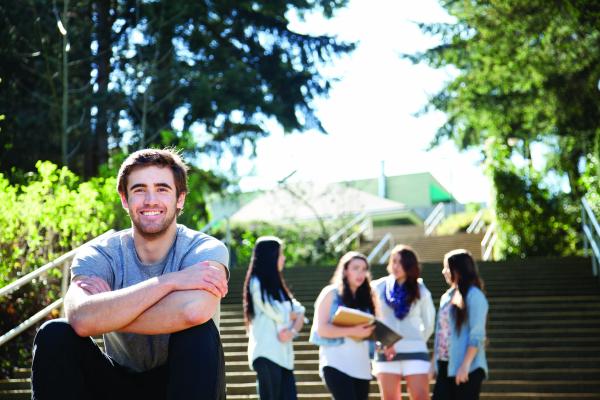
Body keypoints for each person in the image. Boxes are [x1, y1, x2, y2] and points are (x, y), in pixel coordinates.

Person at [30, 148, 230, 400]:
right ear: (125, 200)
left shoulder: (204, 248)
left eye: (162, 189)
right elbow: (79, 316)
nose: (150, 200)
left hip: (183, 381)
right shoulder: (100, 253)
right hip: (117, 383)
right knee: (54, 334)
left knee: (198, 334)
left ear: (180, 198)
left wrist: (106, 313)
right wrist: (171, 282)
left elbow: (194, 311)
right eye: (139, 190)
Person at [243, 236, 306, 400]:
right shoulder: (255, 282)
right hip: (266, 353)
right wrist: (291, 314)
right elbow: (276, 312)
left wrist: (292, 330)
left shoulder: (279, 286)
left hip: (284, 356)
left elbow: (300, 311)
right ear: (270, 257)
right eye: (280, 254)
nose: (283, 258)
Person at [371, 244, 436, 400]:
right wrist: (383, 341)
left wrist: (416, 340)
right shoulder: (378, 287)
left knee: (421, 396)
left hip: (415, 351)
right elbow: (372, 319)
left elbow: (429, 323)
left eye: (401, 262)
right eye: (393, 261)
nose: (396, 266)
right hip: (386, 352)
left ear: (410, 265)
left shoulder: (420, 289)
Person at [309, 251, 376, 400]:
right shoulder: (330, 293)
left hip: (362, 367)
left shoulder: (367, 297)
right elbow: (321, 330)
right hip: (336, 364)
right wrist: (353, 330)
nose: (361, 273)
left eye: (364, 269)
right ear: (345, 270)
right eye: (355, 268)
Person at [431, 249, 488, 400]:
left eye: (447, 267)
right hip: (445, 366)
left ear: (458, 270)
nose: (444, 271)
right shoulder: (446, 297)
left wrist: (465, 366)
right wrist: (433, 362)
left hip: (468, 367)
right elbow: (440, 333)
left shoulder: (475, 296)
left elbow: (477, 335)